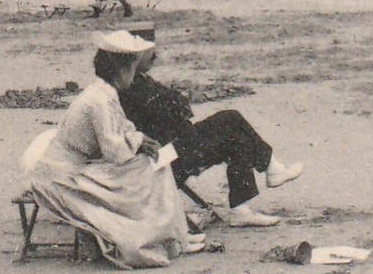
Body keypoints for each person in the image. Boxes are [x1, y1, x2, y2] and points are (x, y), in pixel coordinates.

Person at [23, 30, 205, 269]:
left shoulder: (105, 93)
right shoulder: (99, 100)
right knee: (144, 170)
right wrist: (138, 145)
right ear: (121, 70)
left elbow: (123, 128)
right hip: (62, 178)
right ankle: (168, 236)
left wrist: (138, 139)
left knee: (154, 164)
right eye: (131, 68)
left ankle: (176, 233)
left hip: (73, 169)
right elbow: (113, 150)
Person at [118, 24, 304, 227]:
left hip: (172, 147)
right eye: (149, 51)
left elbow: (176, 110)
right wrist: (178, 100)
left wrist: (177, 103)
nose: (155, 55)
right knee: (231, 120)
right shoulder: (131, 86)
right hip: (162, 158)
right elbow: (177, 110)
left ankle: (243, 207)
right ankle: (270, 169)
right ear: (135, 55)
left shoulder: (134, 80)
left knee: (235, 131)